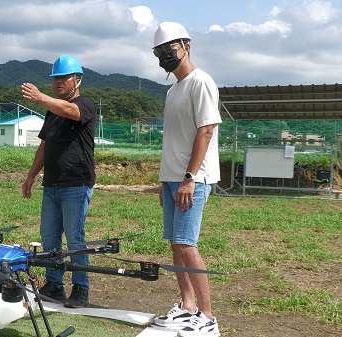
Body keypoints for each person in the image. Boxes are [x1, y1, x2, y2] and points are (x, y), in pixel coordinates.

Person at [151, 22, 222, 336]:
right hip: (173, 179)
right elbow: (175, 139)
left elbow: (205, 131)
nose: (165, 55)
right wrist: (165, 180)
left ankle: (207, 315)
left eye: (169, 48)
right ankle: (187, 306)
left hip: (193, 178)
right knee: (175, 244)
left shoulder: (200, 82)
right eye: (159, 51)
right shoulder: (172, 89)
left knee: (186, 243)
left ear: (186, 46)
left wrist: (190, 178)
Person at [21, 55, 96, 308]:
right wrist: (31, 176)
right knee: (49, 235)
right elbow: (44, 145)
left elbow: (71, 111)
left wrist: (41, 97)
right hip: (52, 183)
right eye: (56, 78)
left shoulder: (84, 104)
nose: (59, 82)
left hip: (76, 182)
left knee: (75, 238)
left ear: (78, 80)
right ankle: (54, 284)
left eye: (64, 77)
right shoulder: (52, 111)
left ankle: (81, 288)